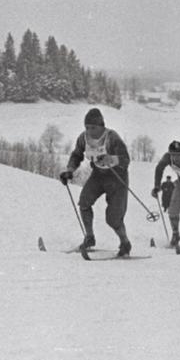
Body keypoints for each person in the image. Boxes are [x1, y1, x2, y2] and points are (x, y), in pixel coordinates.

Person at [58, 108, 132, 257]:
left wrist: (111, 159)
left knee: (113, 218)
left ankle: (125, 242)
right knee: (84, 202)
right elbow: (77, 155)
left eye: (93, 127)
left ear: (102, 126)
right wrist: (70, 170)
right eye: (87, 127)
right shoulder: (83, 138)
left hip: (117, 177)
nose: (90, 131)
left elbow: (125, 159)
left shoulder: (112, 137)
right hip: (98, 175)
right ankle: (89, 237)